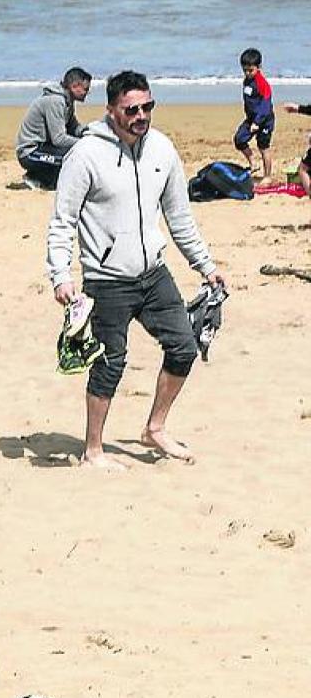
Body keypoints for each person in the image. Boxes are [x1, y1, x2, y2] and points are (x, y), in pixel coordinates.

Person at [47, 70, 227, 469]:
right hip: (106, 281)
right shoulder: (86, 155)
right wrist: (61, 274)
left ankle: (155, 429)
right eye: (131, 109)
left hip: (153, 274)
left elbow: (180, 217)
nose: (141, 115)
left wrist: (206, 266)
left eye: (147, 107)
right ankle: (93, 450)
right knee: (110, 364)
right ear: (111, 110)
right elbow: (63, 221)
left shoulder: (162, 150)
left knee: (184, 346)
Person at [15, 67, 92, 189]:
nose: (88, 92)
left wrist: (90, 132)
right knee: (73, 157)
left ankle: (41, 177)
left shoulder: (68, 101)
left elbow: (74, 128)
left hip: (46, 147)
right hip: (30, 152)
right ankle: (36, 178)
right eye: (86, 89)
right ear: (74, 86)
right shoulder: (56, 101)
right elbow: (59, 139)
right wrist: (84, 143)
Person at [235, 48, 275, 180]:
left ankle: (267, 176)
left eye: (250, 70)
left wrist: (257, 122)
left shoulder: (262, 83)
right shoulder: (247, 81)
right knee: (239, 139)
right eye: (244, 70)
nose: (247, 73)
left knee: (263, 147)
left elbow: (266, 105)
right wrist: (251, 120)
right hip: (251, 119)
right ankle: (253, 163)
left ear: (259, 67)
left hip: (265, 120)